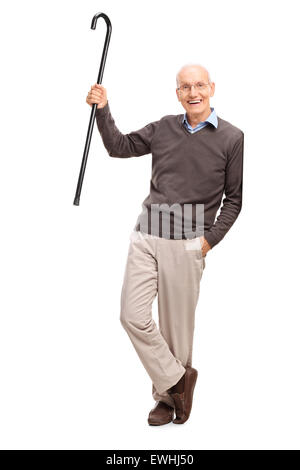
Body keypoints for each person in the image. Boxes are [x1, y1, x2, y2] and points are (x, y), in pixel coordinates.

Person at [86, 64, 244, 425]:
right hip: (147, 232)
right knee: (132, 315)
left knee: (176, 330)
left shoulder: (232, 138)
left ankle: (167, 400)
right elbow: (119, 147)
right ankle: (177, 381)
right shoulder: (163, 127)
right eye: (185, 87)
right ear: (177, 93)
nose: (193, 93)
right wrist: (103, 109)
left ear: (212, 88)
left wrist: (208, 241)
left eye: (199, 85)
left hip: (189, 240)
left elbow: (234, 200)